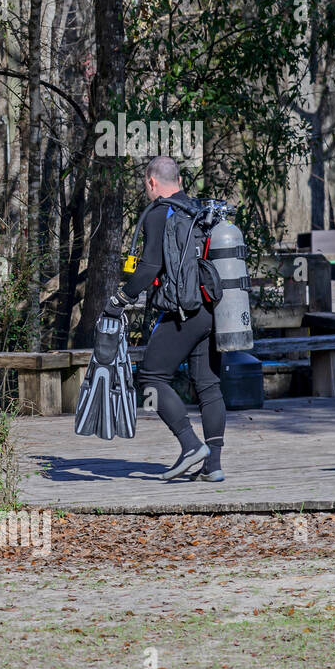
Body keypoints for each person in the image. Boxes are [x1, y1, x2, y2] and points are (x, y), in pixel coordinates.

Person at [103, 155, 225, 482]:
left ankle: (190, 445)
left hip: (182, 312)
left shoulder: (159, 214)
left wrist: (121, 299)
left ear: (151, 182)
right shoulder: (199, 209)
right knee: (208, 386)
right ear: (181, 182)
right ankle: (213, 466)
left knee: (151, 378)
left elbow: (149, 267)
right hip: (212, 310)